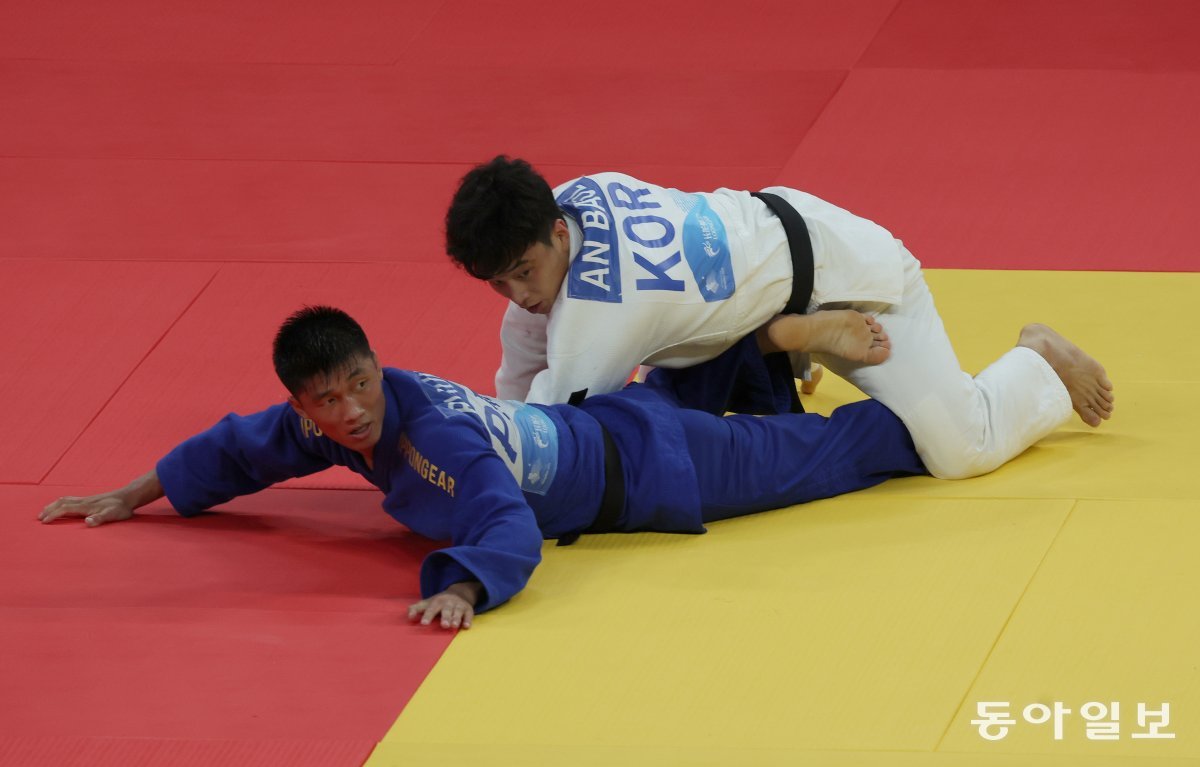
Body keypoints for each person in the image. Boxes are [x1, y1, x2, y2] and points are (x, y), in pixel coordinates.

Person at [40, 306, 926, 630]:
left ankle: (1011, 389)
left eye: (359, 384)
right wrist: (136, 490)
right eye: (328, 399)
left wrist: (461, 589)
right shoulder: (332, 423)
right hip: (617, 422)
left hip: (658, 469)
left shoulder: (433, 442)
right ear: (307, 403)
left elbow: (501, 517)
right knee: (738, 412)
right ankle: (771, 345)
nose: (351, 409)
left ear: (374, 365)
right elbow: (241, 445)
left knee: (853, 452)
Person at [444, 157, 1114, 479]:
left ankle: (1036, 357)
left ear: (558, 234)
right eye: (496, 282)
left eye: (523, 271)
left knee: (963, 448)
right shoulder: (577, 192)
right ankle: (788, 345)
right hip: (772, 241)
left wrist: (465, 466)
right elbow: (523, 354)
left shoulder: (598, 317)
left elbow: (543, 433)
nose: (516, 292)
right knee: (548, 328)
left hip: (850, 277)